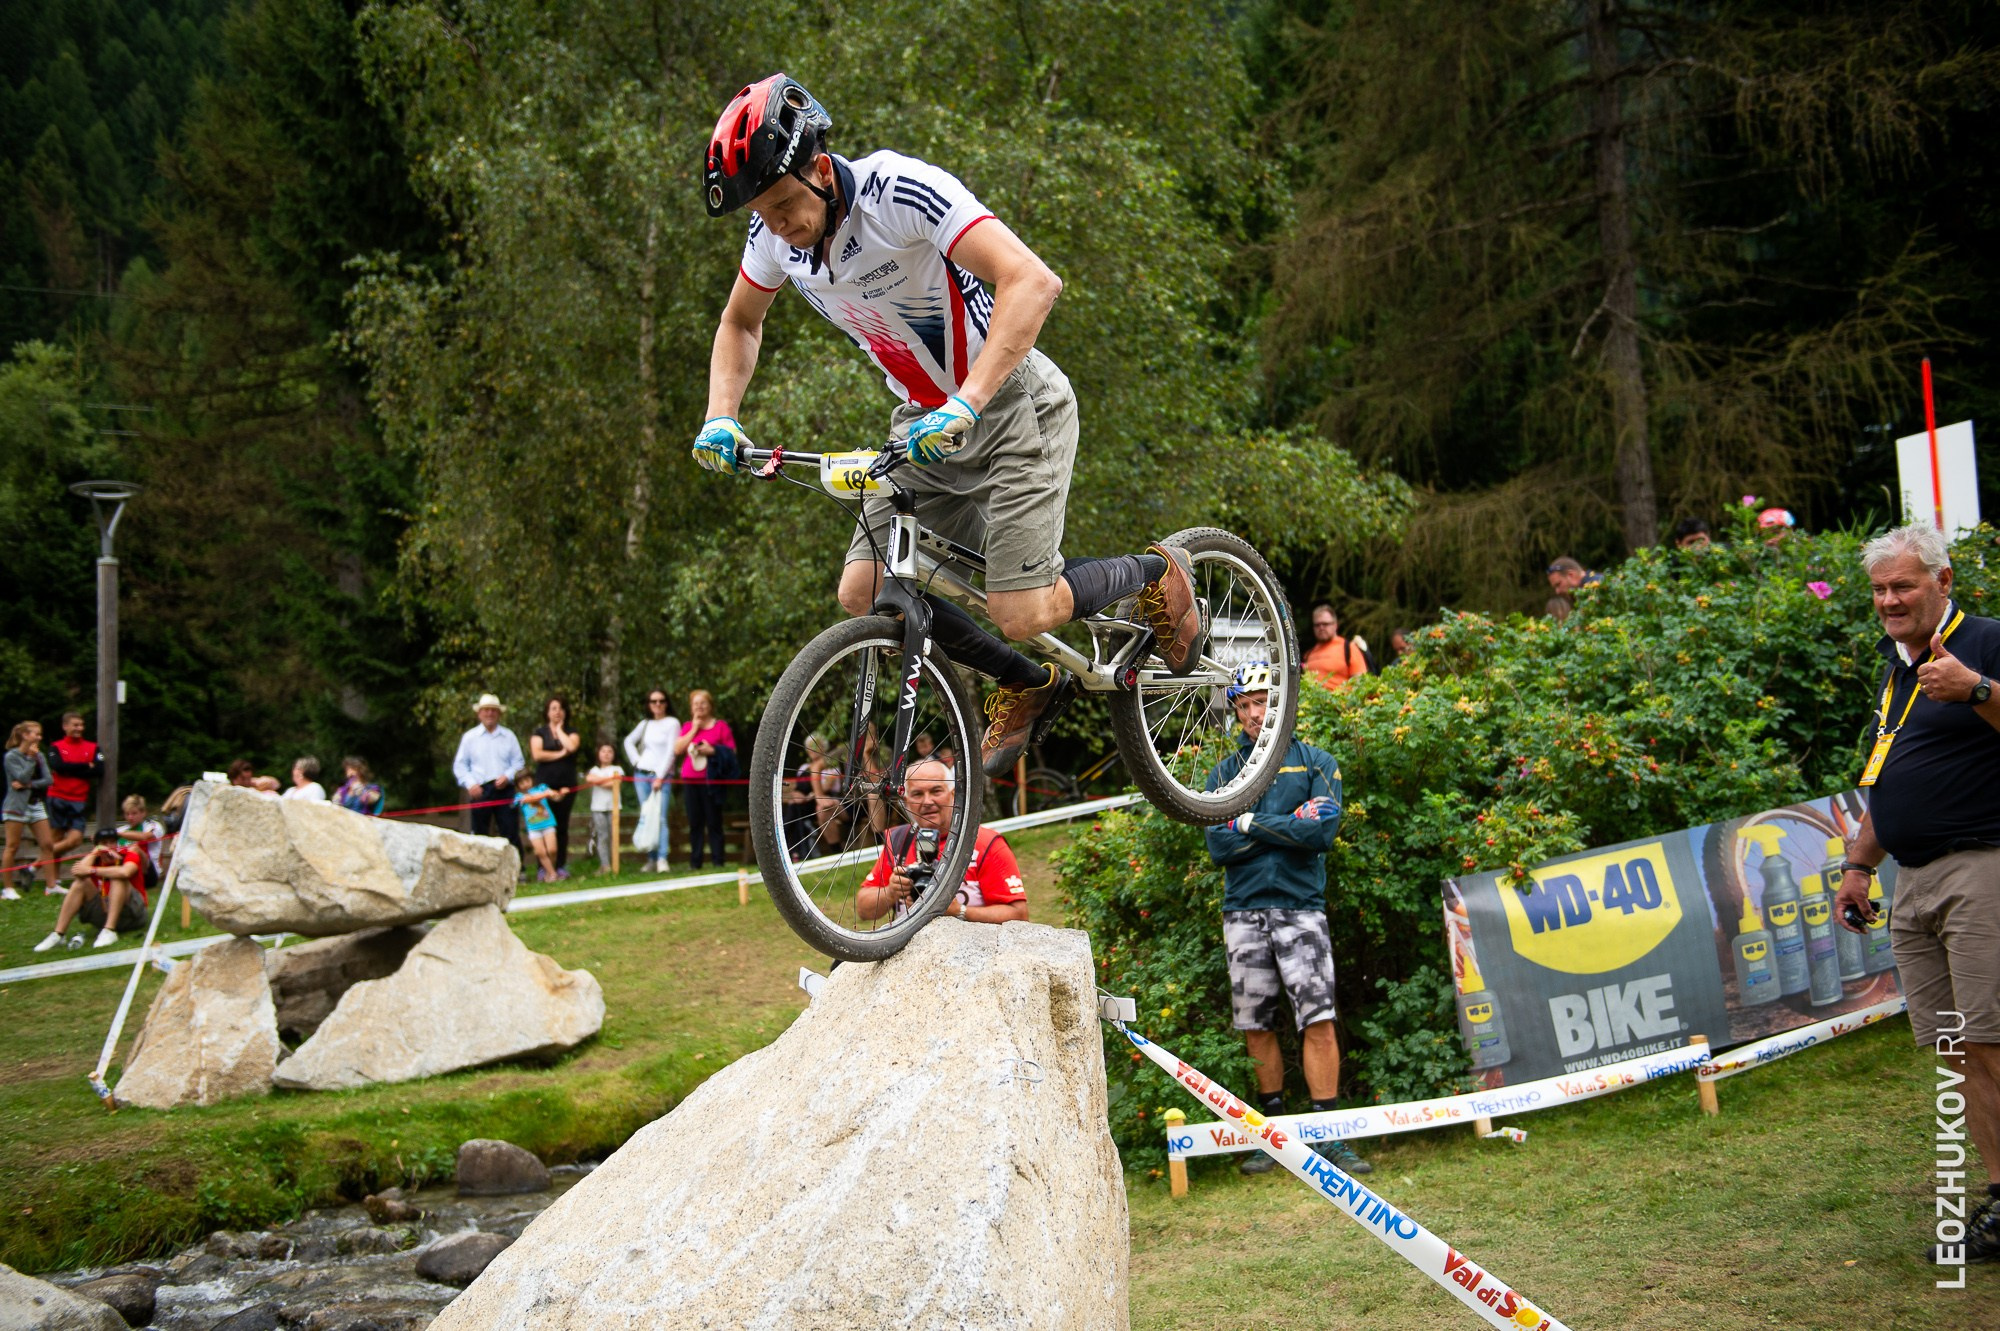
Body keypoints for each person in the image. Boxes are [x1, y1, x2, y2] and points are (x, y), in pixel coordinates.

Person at [693, 73, 1204, 782]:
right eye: (762, 212)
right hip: (923, 422)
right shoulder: (771, 237)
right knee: (867, 590)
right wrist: (722, 416)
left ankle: (1158, 572)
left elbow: (1033, 281)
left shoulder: (897, 192)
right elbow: (740, 322)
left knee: (1021, 608)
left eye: (783, 205)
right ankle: (1029, 682)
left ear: (817, 167)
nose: (778, 226)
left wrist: (968, 400)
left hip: (1011, 399)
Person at [1831, 523, 2000, 1265]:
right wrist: (1860, 866)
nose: (1889, 599)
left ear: (1944, 581)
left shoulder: (1987, 642)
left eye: (1902, 585)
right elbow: (1889, 779)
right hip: (1914, 879)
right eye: (1879, 589)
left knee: (1991, 1039)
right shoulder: (1896, 669)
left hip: (1982, 865)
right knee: (1958, 1047)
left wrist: (1979, 689)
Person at [1203, 662, 1371, 1179]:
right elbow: (1218, 844)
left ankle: (1329, 1138)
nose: (1255, 713)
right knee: (1255, 1025)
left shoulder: (1318, 763)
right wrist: (1284, 825)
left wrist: (1249, 822)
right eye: (1245, 704)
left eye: (1263, 701)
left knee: (1317, 1019)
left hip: (1302, 909)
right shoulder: (1221, 776)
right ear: (1237, 710)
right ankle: (1272, 1139)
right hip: (1243, 912)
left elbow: (1320, 833)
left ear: (1282, 704)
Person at [854, 758, 1027, 924]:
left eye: (936, 791)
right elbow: (863, 909)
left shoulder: (985, 842)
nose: (927, 801)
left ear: (953, 795)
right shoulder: (899, 840)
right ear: (906, 801)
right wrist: (891, 892)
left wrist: (958, 911)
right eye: (917, 794)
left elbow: (1019, 915)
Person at [33, 827, 150, 950]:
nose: (109, 846)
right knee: (80, 883)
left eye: (112, 842)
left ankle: (109, 931)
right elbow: (77, 872)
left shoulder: (128, 854)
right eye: (104, 843)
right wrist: (95, 853)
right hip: (103, 911)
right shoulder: (94, 858)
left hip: (133, 914)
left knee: (117, 877)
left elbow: (126, 872)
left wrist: (92, 870)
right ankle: (58, 934)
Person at [452, 693, 524, 849]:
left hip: (504, 789)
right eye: (486, 710)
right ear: (480, 713)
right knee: (479, 833)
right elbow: (460, 766)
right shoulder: (470, 738)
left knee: (510, 830)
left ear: (499, 714)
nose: (489, 713)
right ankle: (481, 870)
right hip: (481, 789)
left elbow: (518, 762)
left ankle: (517, 870)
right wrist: (471, 784)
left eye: (493, 710)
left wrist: (508, 776)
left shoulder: (508, 736)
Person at [675, 689, 737, 870]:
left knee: (714, 821)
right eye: (696, 704)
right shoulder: (687, 726)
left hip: (712, 781)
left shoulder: (721, 727)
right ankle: (695, 862)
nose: (699, 707)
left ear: (710, 705)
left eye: (703, 703)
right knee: (695, 822)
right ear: (691, 707)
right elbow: (677, 749)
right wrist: (694, 728)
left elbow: (732, 752)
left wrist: (713, 750)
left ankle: (718, 861)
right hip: (690, 780)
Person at [623, 689, 681, 873]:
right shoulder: (645, 724)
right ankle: (651, 859)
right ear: (648, 704)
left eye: (661, 701)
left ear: (666, 703)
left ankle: (662, 859)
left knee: (661, 817)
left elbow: (671, 752)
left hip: (660, 776)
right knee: (648, 815)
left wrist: (660, 776)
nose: (657, 704)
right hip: (642, 774)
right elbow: (628, 742)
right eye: (653, 701)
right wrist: (636, 761)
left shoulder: (672, 723)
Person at [3, 721, 59, 899]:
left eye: (40, 734)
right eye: (36, 734)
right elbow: (21, 775)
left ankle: (51, 885)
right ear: (25, 736)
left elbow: (48, 780)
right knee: (12, 846)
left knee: (47, 845)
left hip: (35, 805)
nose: (39, 738)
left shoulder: (39, 755)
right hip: (16, 806)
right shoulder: (11, 756)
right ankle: (8, 888)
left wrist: (28, 785)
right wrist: (29, 760)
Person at [532, 695, 583, 877]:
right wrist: (559, 754)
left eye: (561, 708)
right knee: (542, 824)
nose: (557, 711)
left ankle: (560, 865)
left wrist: (560, 730)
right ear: (547, 712)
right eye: (553, 708)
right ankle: (543, 868)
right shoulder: (539, 733)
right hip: (543, 787)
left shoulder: (571, 731)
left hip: (566, 786)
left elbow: (572, 747)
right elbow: (537, 755)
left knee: (561, 826)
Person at [44, 711, 101, 864]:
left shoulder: (93, 747)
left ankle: (36, 864)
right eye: (75, 725)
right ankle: (53, 884)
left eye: (81, 725)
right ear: (65, 726)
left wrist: (69, 769)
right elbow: (58, 766)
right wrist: (85, 766)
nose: (79, 728)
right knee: (56, 838)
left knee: (75, 839)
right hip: (57, 796)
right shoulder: (56, 747)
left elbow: (99, 770)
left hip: (79, 799)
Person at [1302, 602, 1370, 689]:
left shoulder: (1349, 649)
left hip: (1340, 701)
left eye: (1325, 624)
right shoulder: (1308, 655)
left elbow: (1360, 684)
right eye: (1317, 625)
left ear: (1335, 625)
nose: (1321, 628)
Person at [513, 770, 564, 883]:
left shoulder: (542, 788)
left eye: (527, 780)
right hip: (533, 829)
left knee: (552, 850)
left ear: (532, 779)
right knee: (540, 852)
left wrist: (561, 794)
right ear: (518, 786)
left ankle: (549, 872)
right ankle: (552, 874)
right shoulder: (519, 796)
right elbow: (530, 799)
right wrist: (546, 794)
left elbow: (555, 797)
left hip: (548, 824)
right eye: (521, 782)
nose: (525, 784)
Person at [584, 742, 626, 873]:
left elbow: (615, 783)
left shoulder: (618, 769)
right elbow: (590, 778)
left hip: (614, 807)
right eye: (603, 751)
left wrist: (599, 781)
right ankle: (605, 865)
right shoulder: (594, 770)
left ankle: (615, 865)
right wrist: (607, 780)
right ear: (598, 754)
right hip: (598, 808)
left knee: (614, 836)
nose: (606, 754)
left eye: (610, 751)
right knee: (602, 836)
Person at [115, 794, 167, 878]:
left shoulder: (153, 826)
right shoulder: (121, 830)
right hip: (125, 867)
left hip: (149, 872)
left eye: (134, 813)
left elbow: (144, 837)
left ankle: (123, 873)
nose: (130, 817)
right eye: (127, 814)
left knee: (134, 848)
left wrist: (119, 834)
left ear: (143, 813)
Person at [1545, 556, 1599, 622]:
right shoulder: (1583, 593)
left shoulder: (1596, 589)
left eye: (1558, 584)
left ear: (1571, 575)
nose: (1557, 591)